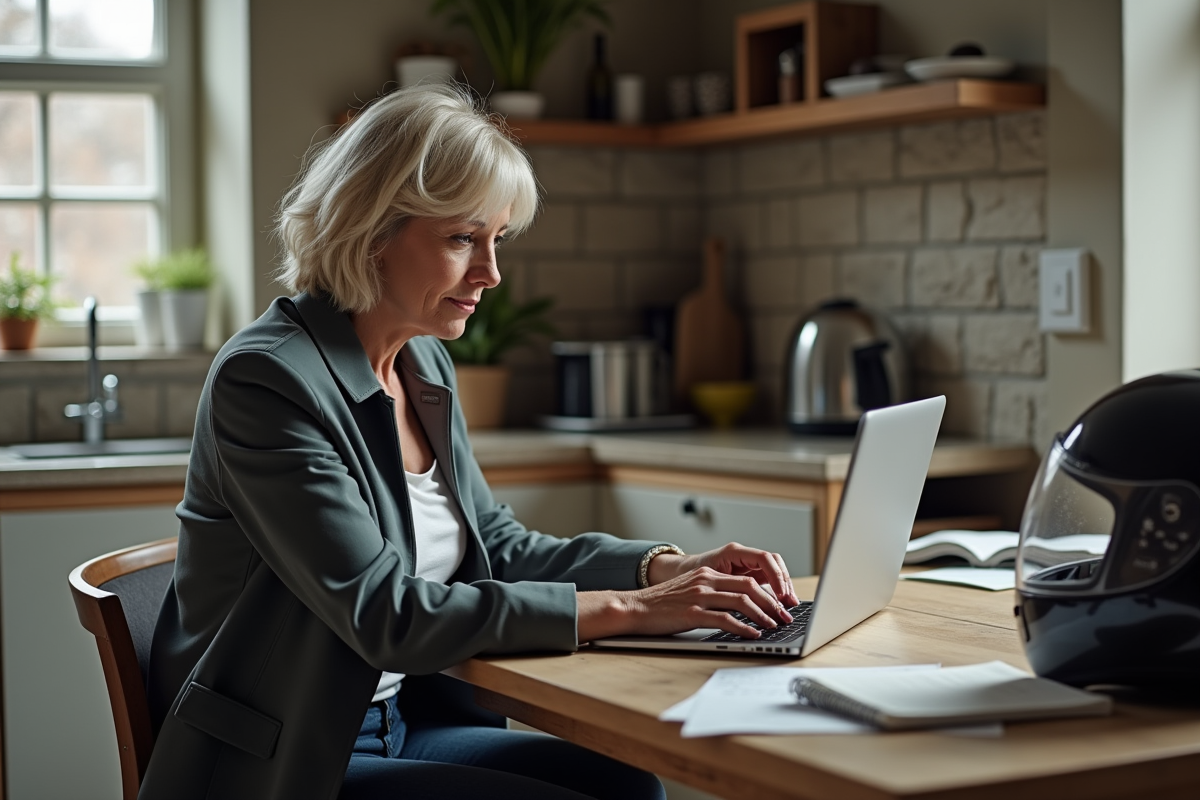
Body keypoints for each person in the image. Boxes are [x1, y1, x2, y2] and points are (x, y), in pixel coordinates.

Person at [140, 83, 798, 800]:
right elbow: (385, 614)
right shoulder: (267, 381)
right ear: (370, 231)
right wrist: (634, 614)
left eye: (496, 240)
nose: (491, 273)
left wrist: (664, 569)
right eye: (462, 239)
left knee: (626, 785)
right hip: (289, 756)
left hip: (399, 721)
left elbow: (500, 546)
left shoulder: (421, 363)